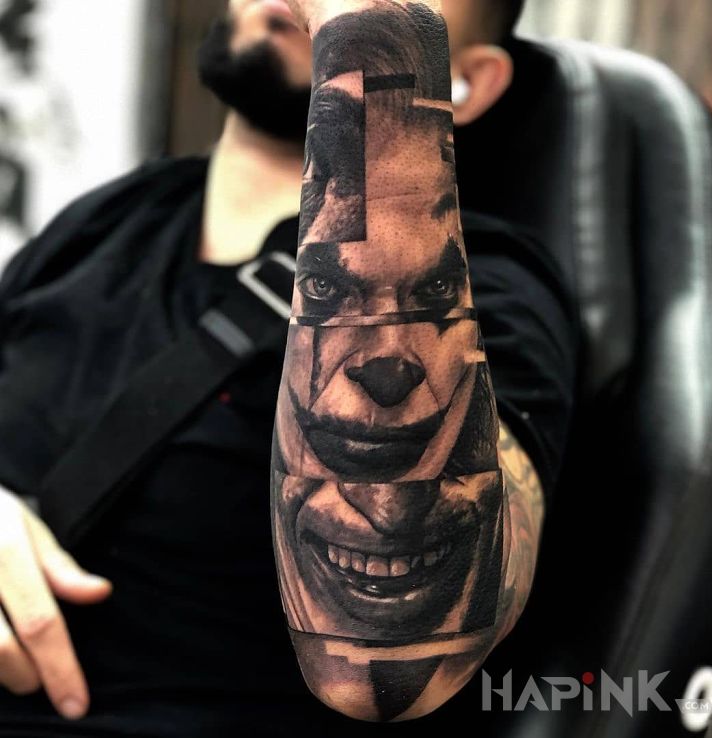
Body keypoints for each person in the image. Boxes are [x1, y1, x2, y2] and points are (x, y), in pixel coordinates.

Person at [0, 0, 578, 735]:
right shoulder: (105, 221)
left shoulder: (479, 291)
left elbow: (393, 663)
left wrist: (367, 37)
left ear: (470, 81)